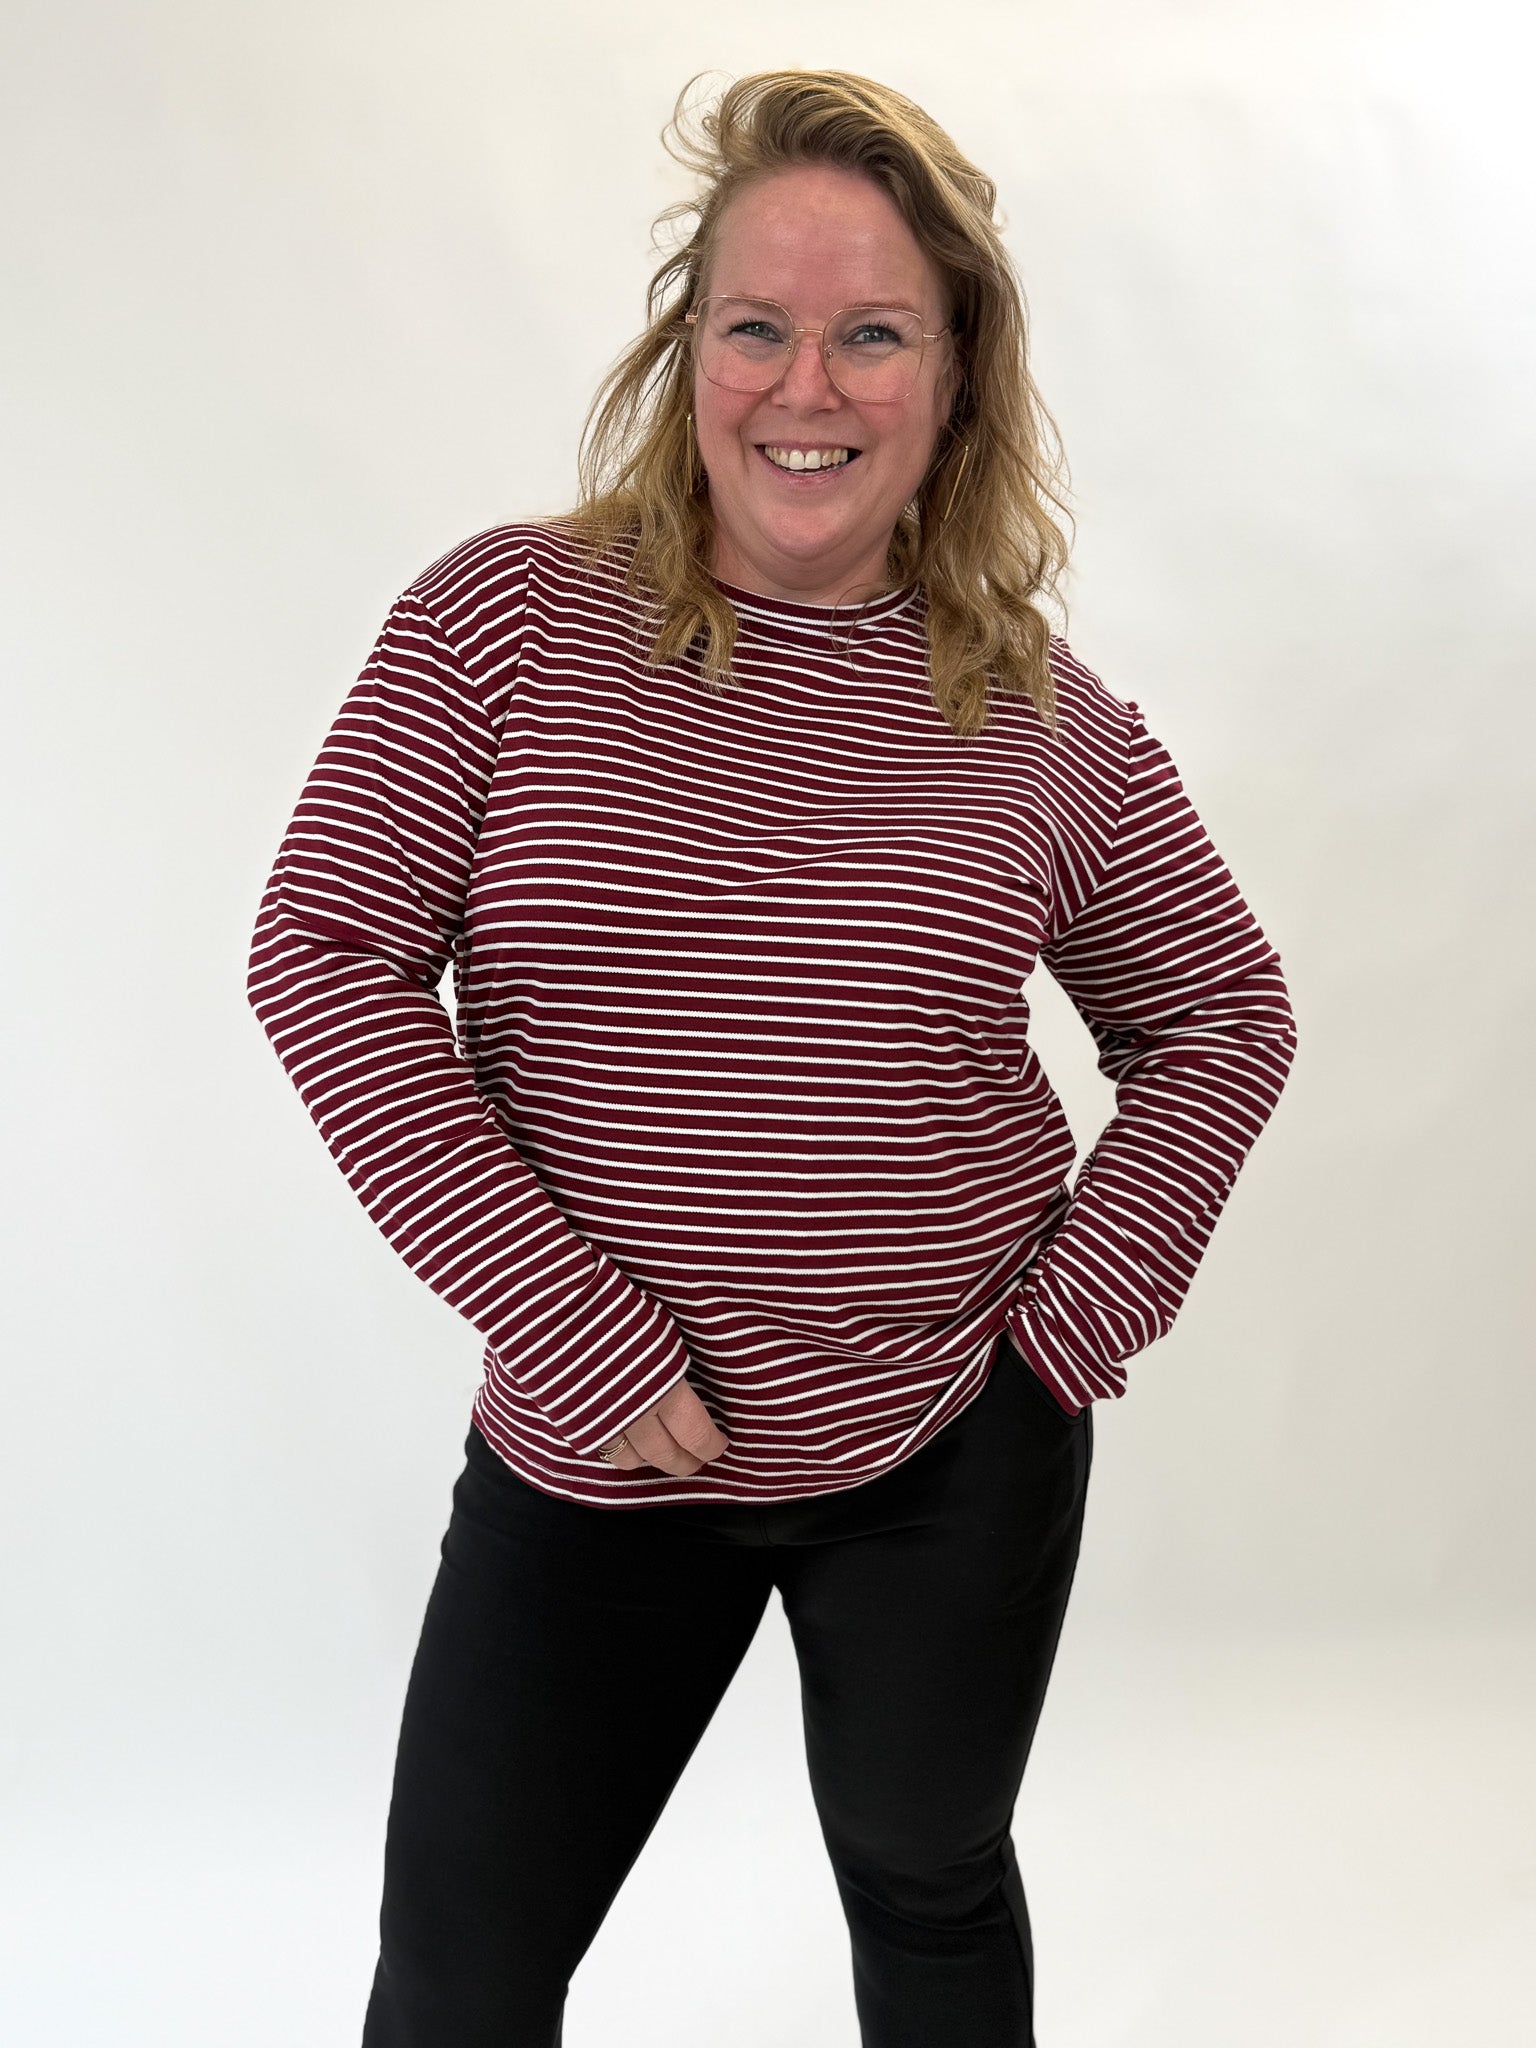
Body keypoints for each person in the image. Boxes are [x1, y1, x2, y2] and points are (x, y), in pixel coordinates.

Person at [246, 67, 1296, 2048]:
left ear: (954, 379)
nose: (807, 386)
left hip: (948, 1449)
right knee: (463, 1971)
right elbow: (328, 950)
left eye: (874, 333)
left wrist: (1068, 1328)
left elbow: (1222, 1013)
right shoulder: (502, 626)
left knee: (927, 1883)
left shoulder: (1041, 715)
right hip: (594, 1446)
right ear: (689, 353)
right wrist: (567, 1326)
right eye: (758, 325)